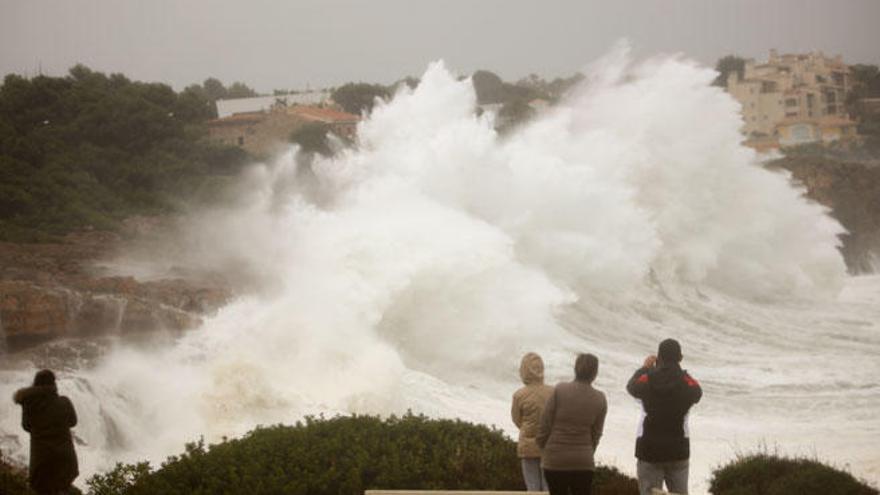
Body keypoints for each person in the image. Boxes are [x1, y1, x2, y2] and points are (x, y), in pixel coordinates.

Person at [626, 339, 702, 495]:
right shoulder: (686, 382)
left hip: (649, 449)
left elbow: (632, 386)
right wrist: (682, 373)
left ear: (659, 357)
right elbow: (697, 391)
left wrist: (645, 368)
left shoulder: (648, 378)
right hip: (678, 449)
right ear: (680, 358)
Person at [536, 353, 607, 495]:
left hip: (555, 458)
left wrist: (543, 445)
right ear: (595, 373)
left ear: (575, 369)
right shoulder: (600, 398)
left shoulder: (560, 389)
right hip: (583, 460)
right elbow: (596, 433)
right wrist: (587, 450)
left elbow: (545, 422)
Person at [12, 369, 79, 495]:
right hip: (65, 457)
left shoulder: (30, 404)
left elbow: (26, 426)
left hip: (42, 459)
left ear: (36, 384)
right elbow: (73, 421)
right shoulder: (64, 402)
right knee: (63, 487)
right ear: (54, 384)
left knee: (44, 489)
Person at [511, 352, 555, 491]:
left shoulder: (519, 395)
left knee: (532, 488)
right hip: (548, 445)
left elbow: (517, 420)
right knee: (548, 487)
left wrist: (527, 429)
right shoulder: (553, 392)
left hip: (527, 447)